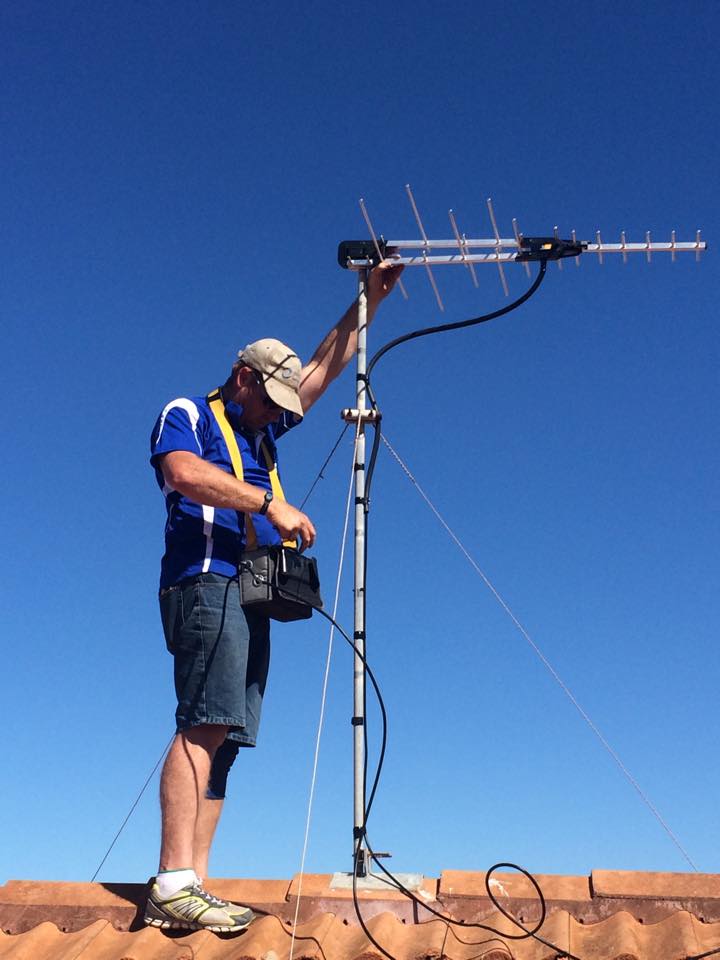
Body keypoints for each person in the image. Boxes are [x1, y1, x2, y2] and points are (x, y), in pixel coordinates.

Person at [144, 260, 403, 933]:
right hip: (206, 581)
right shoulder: (189, 414)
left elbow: (317, 374)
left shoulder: (261, 427)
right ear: (242, 379)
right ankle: (173, 879)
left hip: (247, 594)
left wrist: (364, 306)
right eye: (270, 401)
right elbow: (181, 473)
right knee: (203, 719)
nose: (279, 415)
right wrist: (267, 504)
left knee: (225, 736)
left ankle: (194, 883)